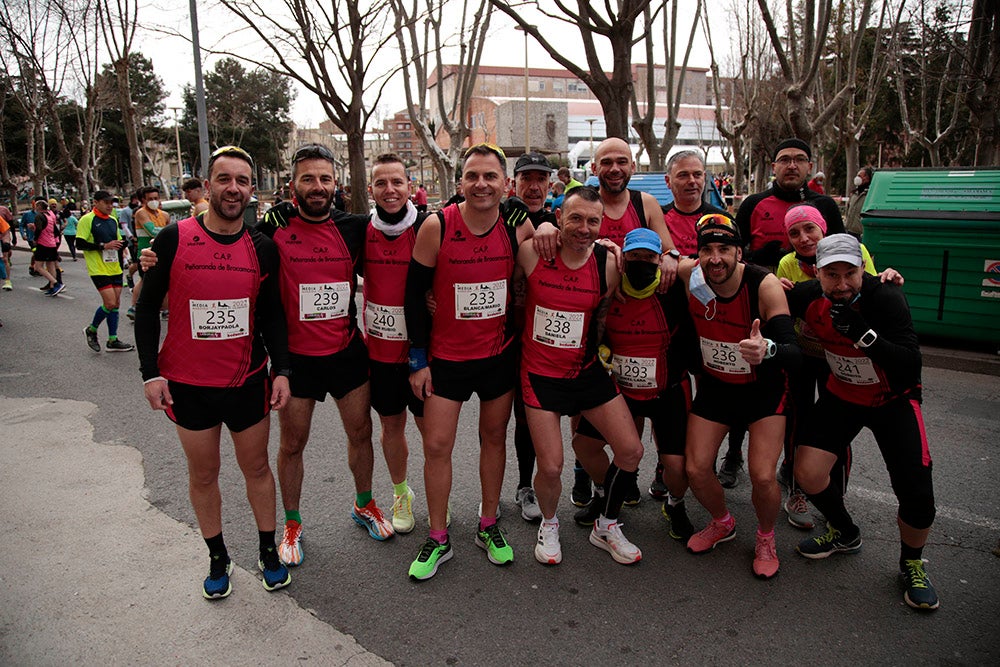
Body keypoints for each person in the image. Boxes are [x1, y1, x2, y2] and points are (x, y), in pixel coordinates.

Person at [135, 145, 292, 599]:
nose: (234, 189)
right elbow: (146, 309)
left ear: (251, 190)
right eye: (225, 179)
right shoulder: (173, 238)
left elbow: (273, 315)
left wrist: (281, 370)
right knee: (203, 474)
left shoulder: (262, 247)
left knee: (257, 467)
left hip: (246, 380)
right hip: (187, 383)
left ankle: (267, 551)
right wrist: (150, 373)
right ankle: (217, 556)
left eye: (243, 181)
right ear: (207, 186)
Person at [404, 143, 553, 580]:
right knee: (437, 446)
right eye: (473, 176)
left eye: (490, 176)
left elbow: (553, 251)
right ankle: (437, 536)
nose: (481, 184)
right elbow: (414, 293)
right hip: (446, 358)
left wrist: (583, 238)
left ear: (505, 185)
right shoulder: (437, 225)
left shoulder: (516, 226)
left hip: (496, 356)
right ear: (461, 183)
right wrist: (417, 359)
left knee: (493, 437)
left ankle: (488, 524)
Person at [786, 233, 938, 610]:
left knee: (916, 492)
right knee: (806, 473)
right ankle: (844, 531)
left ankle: (912, 563)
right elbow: (751, 286)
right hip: (843, 395)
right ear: (816, 273)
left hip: (893, 399)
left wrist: (864, 336)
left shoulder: (885, 297)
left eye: (849, 274)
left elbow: (910, 364)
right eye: (831, 275)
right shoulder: (807, 296)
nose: (841, 285)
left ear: (862, 269)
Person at [515, 187, 645, 565]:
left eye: (592, 220)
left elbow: (605, 314)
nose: (584, 228)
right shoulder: (532, 253)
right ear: (559, 219)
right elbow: (504, 289)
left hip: (586, 371)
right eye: (575, 218)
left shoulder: (608, 263)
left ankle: (606, 525)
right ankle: (550, 524)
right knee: (552, 465)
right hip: (539, 374)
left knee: (631, 450)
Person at [679, 213, 801, 579]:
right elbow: (665, 260)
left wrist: (768, 349)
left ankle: (765, 537)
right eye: (707, 250)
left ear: (739, 252)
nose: (715, 258)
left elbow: (792, 350)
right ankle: (723, 522)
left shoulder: (763, 285)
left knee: (762, 475)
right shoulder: (690, 274)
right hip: (717, 387)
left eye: (725, 249)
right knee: (696, 468)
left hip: (763, 391)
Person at [571, 137, 681, 507]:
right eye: (606, 162)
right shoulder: (587, 202)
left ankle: (650, 472)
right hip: (595, 314)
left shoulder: (644, 203)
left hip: (643, 314)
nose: (614, 168)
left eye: (622, 161)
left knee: (641, 400)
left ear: (633, 167)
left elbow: (669, 250)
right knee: (586, 404)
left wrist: (670, 257)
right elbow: (569, 240)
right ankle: (584, 472)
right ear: (594, 168)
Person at [572, 227, 699, 541]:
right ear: (623, 258)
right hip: (622, 391)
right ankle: (604, 493)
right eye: (634, 256)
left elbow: (707, 267)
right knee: (583, 445)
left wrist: (674, 257)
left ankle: (675, 503)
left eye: (648, 257)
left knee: (676, 465)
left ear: (658, 260)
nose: (641, 262)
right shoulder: (611, 285)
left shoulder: (673, 287)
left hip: (668, 391)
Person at [362, 153, 430, 537]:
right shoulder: (359, 229)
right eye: (381, 183)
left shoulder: (426, 227)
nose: (390, 191)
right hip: (381, 354)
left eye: (397, 183)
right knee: (391, 427)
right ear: (371, 188)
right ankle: (401, 493)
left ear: (409, 185)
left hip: (422, 354)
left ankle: (439, 493)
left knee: (430, 431)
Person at [736, 139, 844, 270]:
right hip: (764, 283)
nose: (792, 166)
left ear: (809, 167)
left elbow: (842, 252)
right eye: (784, 160)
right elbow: (733, 252)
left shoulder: (826, 205)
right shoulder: (752, 204)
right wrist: (756, 257)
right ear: (774, 167)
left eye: (799, 159)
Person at [74, 190, 134, 353]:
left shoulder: (113, 220)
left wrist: (123, 245)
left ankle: (112, 340)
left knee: (116, 304)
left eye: (111, 203)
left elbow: (116, 241)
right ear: (96, 202)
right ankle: (92, 330)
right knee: (109, 303)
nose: (110, 206)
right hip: (98, 268)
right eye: (106, 202)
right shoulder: (87, 220)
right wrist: (102, 246)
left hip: (114, 266)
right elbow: (79, 243)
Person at [128, 186, 170, 319]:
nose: (154, 201)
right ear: (143, 200)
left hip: (161, 254)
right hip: (145, 254)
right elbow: (152, 231)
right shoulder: (141, 213)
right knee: (147, 281)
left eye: (156, 198)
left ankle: (161, 308)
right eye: (150, 199)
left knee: (152, 281)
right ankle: (137, 307)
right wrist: (167, 232)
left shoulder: (164, 215)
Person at [27, 199, 64, 296]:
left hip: (43, 244)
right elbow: (56, 231)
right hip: (52, 243)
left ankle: (55, 283)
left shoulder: (39, 216)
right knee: (50, 265)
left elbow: (39, 229)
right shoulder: (50, 216)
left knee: (38, 267)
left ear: (39, 207)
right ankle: (53, 286)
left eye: (36, 205)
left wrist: (35, 238)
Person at [845, 166, 874, 240]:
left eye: (860, 176)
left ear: (867, 178)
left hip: (860, 234)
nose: (857, 178)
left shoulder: (870, 195)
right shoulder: (854, 194)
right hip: (849, 231)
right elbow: (848, 210)